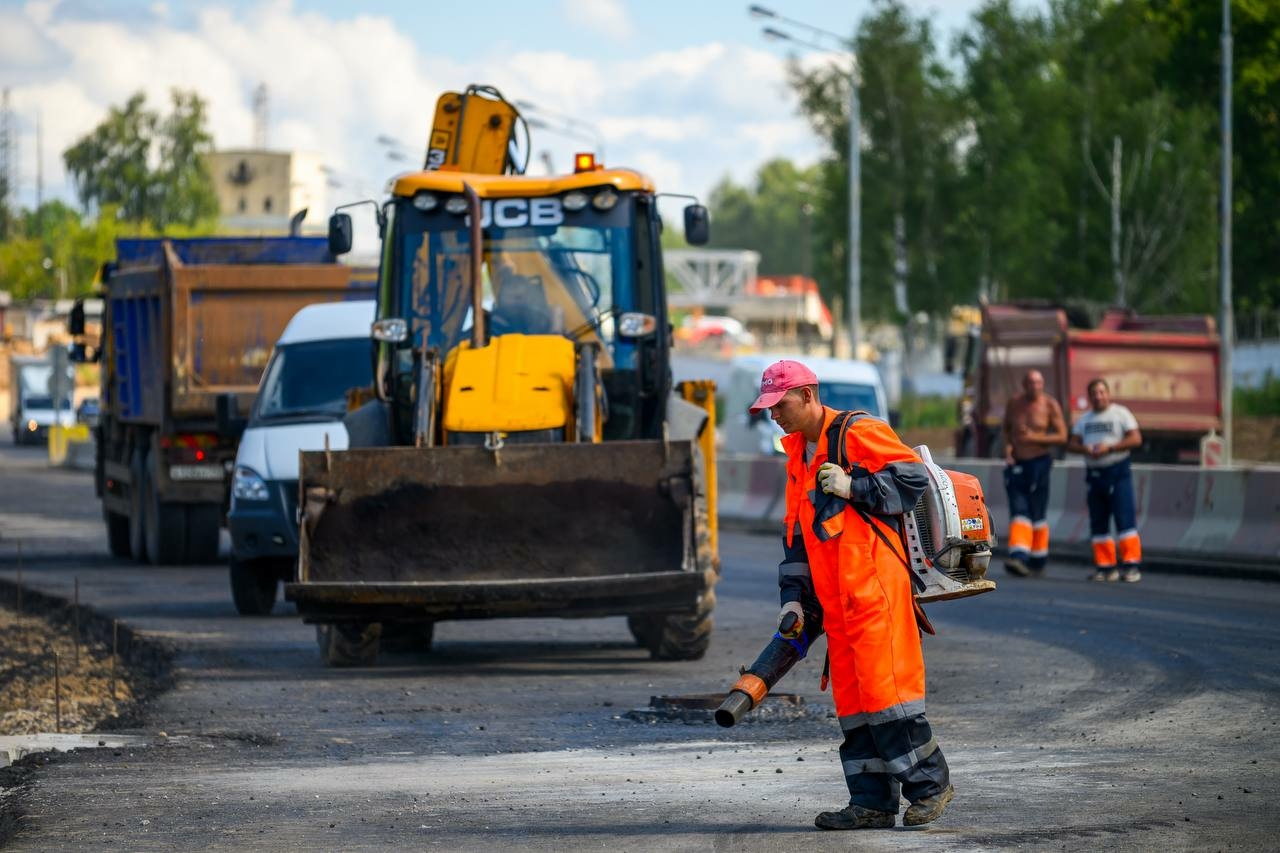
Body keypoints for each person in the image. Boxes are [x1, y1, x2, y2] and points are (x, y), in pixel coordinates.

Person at [751, 359, 953, 831]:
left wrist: (853, 485)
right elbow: (797, 537)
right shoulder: (798, 455)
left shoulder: (855, 431)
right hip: (837, 605)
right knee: (856, 708)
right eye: (767, 408)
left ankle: (930, 786)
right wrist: (793, 598)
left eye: (779, 405)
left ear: (807, 395)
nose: (774, 415)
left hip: (875, 595)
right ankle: (871, 803)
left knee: (890, 699)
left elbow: (913, 478)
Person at [1066, 378, 1144, 582]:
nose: (1098, 396)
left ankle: (1131, 566)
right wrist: (1086, 449)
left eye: (1102, 392)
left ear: (1108, 394)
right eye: (1094, 393)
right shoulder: (1085, 420)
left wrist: (1109, 448)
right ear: (1090, 397)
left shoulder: (1121, 413)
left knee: (1124, 520)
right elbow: (1071, 444)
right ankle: (1106, 566)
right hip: (1095, 475)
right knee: (1098, 523)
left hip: (1118, 473)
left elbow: (1135, 439)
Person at [1001, 370, 1068, 576]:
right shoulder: (1015, 403)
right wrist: (1008, 449)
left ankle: (1038, 559)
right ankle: (1019, 556)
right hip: (1018, 464)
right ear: (1024, 384)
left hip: (1039, 463)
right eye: (1031, 383)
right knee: (1019, 510)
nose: (1035, 386)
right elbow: (1006, 429)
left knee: (1037, 512)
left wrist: (1034, 437)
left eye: (1039, 383)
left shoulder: (1049, 405)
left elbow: (1062, 436)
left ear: (1043, 384)